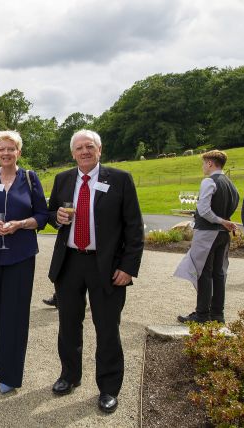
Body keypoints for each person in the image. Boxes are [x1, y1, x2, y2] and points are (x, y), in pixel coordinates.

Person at [47, 129, 143, 414]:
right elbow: (52, 215)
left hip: (107, 266)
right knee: (68, 325)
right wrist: (57, 218)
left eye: (90, 146)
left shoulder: (120, 179)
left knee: (107, 327)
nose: (84, 151)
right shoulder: (63, 179)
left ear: (99, 150)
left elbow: (134, 227)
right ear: (72, 153)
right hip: (70, 262)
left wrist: (128, 267)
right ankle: (69, 376)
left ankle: (109, 388)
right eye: (79, 148)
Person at [0, 131, 48, 394]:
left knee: (15, 314)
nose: (6, 153)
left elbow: (42, 215)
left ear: (19, 151)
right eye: (1, 149)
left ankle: (10, 373)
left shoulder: (30, 178)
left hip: (20, 255)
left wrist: (21, 224)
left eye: (11, 149)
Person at [175, 150, 239, 325]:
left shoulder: (209, 181)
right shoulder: (231, 183)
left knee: (203, 272)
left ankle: (202, 314)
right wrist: (224, 221)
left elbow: (204, 210)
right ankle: (218, 314)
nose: (203, 167)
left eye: (204, 163)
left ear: (210, 163)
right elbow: (233, 203)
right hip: (223, 235)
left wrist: (219, 220)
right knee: (219, 273)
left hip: (207, 233)